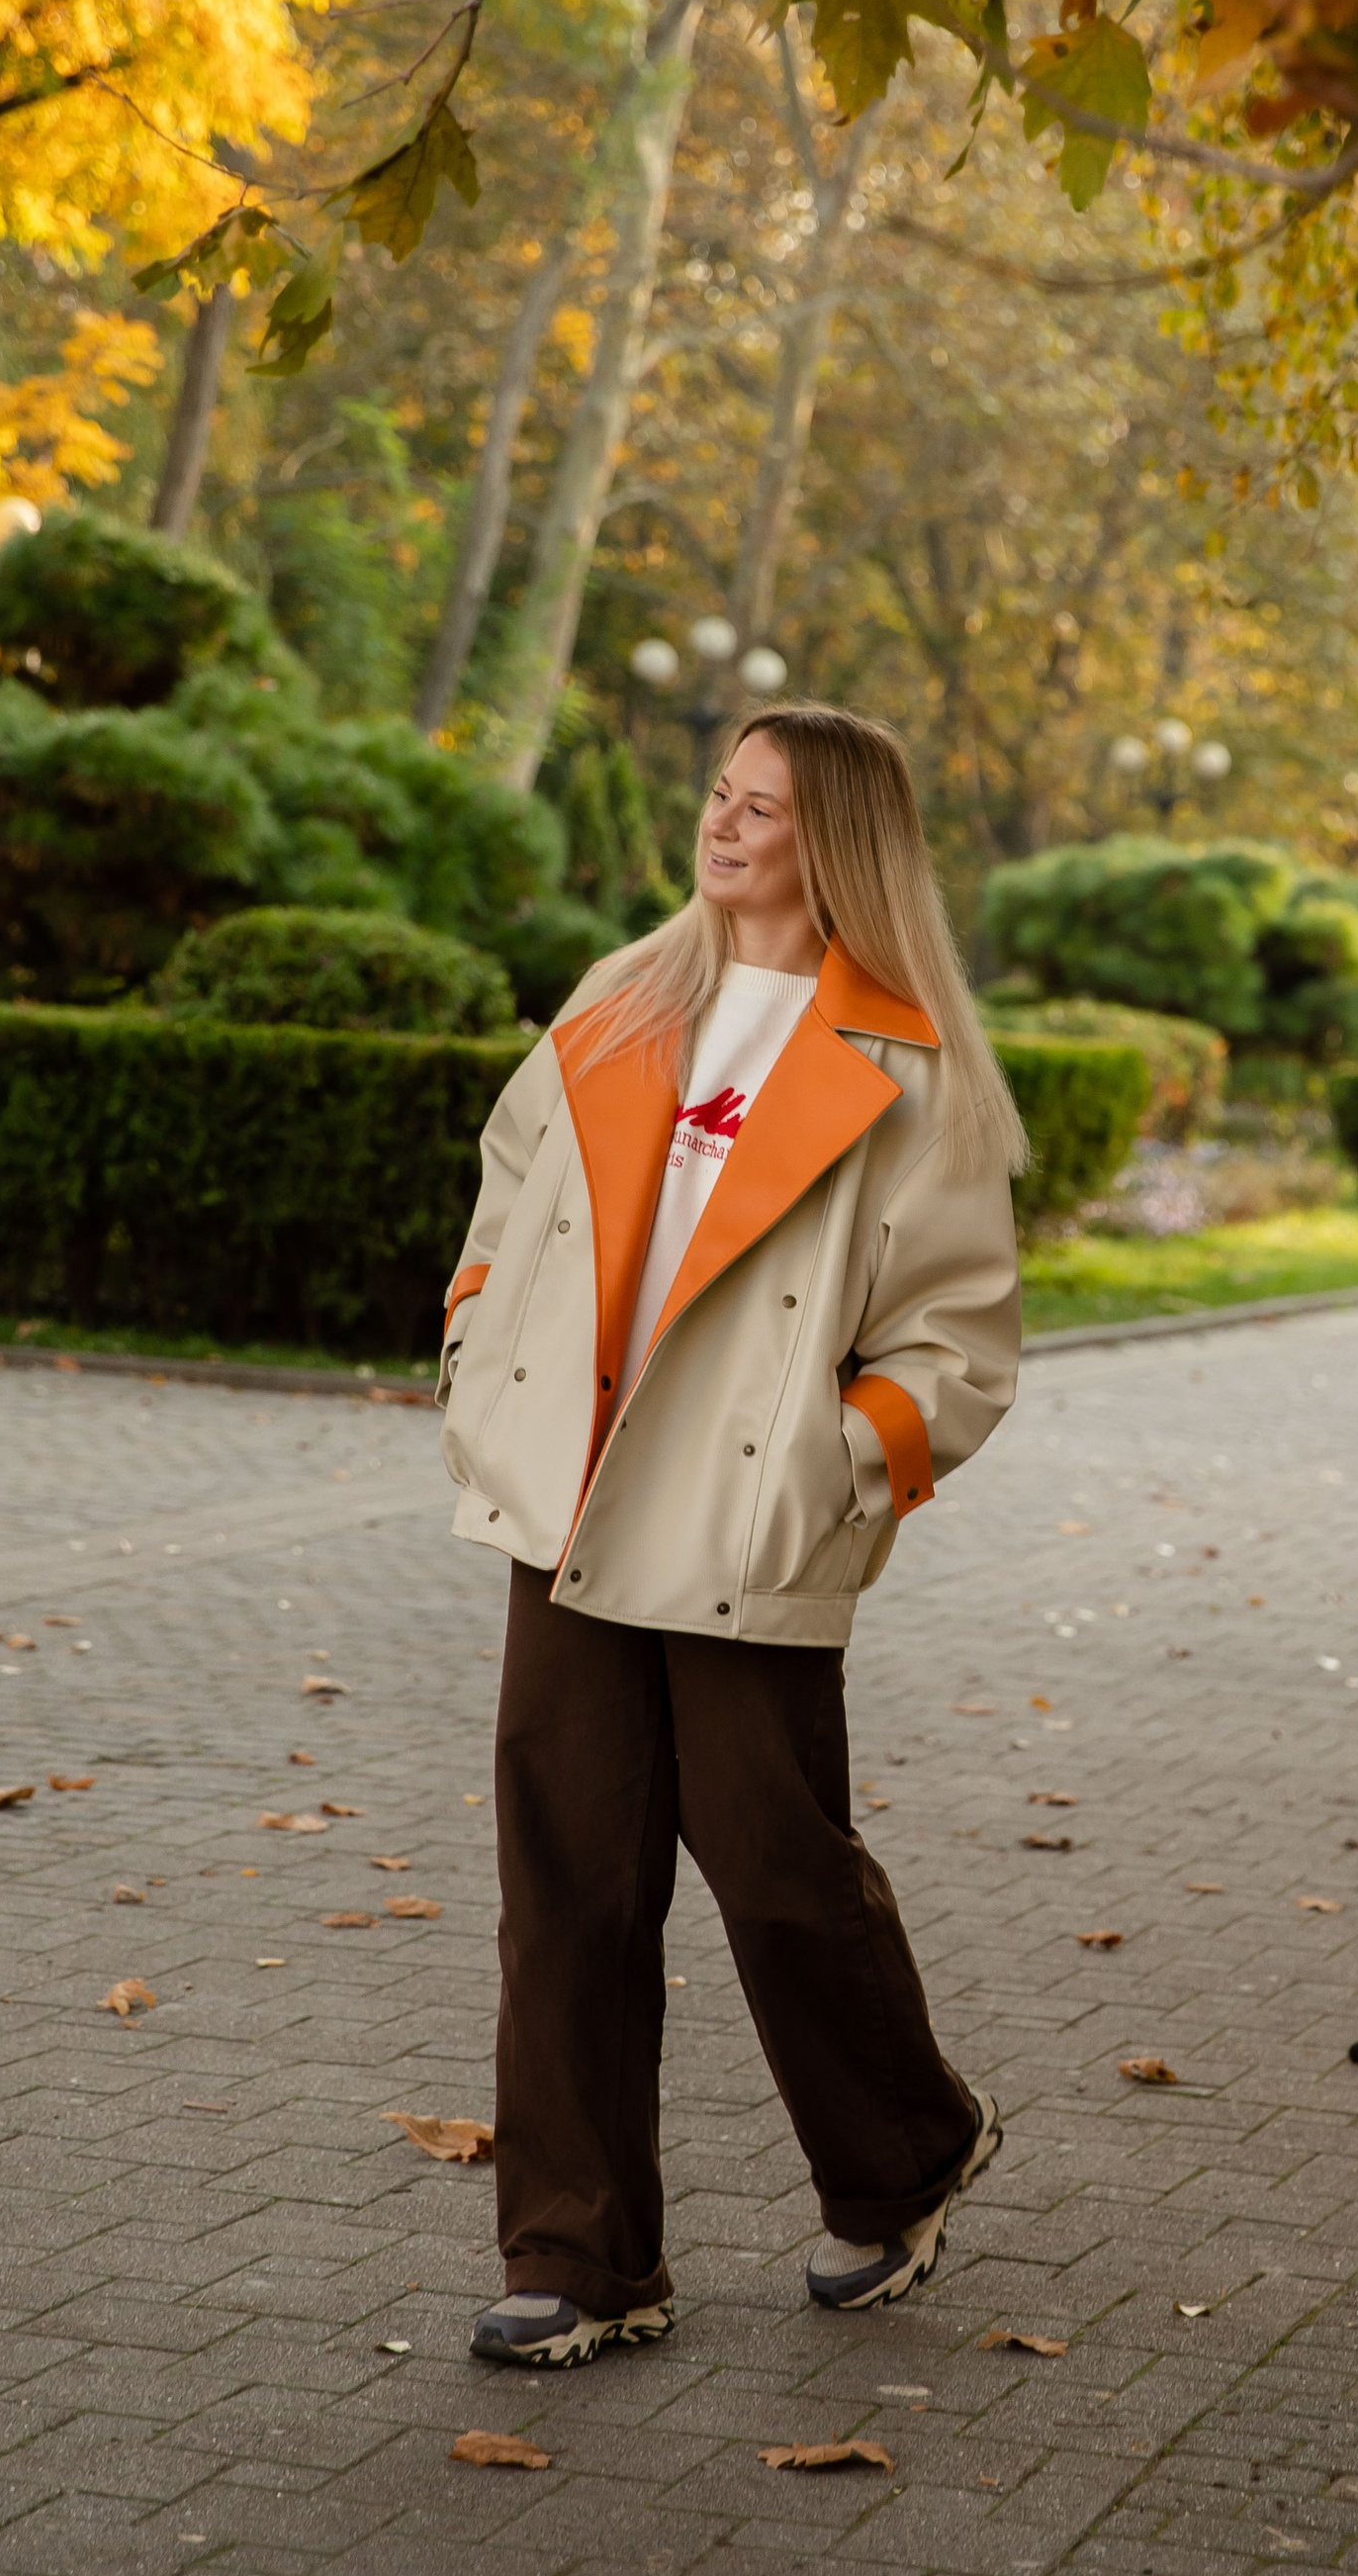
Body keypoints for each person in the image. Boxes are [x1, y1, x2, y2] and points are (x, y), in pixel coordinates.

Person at [436, 705, 1026, 2369]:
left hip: (749, 1513)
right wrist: (481, 1346)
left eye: (762, 809)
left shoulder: (911, 1068)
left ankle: (904, 2151)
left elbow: (960, 1340)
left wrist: (834, 1469)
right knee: (566, 1880)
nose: (724, 824)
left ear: (833, 842)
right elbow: (508, 1191)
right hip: (574, 1490)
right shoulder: (620, 1002)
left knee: (774, 1868)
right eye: (721, 793)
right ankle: (581, 2258)